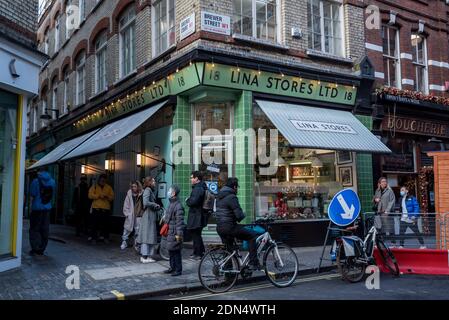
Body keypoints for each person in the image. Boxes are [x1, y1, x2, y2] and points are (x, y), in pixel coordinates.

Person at [215, 177, 260, 270]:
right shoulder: (231, 197)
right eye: (237, 187)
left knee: (229, 249)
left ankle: (228, 272)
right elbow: (239, 216)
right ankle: (254, 262)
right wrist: (244, 214)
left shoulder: (219, 196)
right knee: (252, 236)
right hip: (229, 227)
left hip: (220, 227)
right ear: (234, 187)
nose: (237, 189)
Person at [29, 167, 55, 256]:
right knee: (45, 229)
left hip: (37, 208)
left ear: (39, 171)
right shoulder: (52, 181)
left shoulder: (35, 181)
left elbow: (32, 196)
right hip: (47, 208)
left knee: (34, 228)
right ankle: (42, 249)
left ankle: (35, 248)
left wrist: (30, 207)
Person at [163, 185, 185, 276]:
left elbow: (179, 222)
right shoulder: (171, 203)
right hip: (170, 232)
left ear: (173, 193)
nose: (168, 192)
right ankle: (172, 267)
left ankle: (178, 270)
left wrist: (178, 235)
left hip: (175, 233)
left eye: (169, 191)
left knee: (176, 252)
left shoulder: (178, 205)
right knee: (171, 251)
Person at [137, 176, 161, 263]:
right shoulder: (147, 190)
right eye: (153, 181)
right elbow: (146, 202)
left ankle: (148, 256)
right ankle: (144, 257)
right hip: (148, 217)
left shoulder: (149, 190)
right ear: (149, 182)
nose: (154, 183)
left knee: (149, 236)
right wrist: (155, 205)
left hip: (150, 217)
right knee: (147, 237)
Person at [186, 171, 207, 260]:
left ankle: (198, 254)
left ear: (196, 178)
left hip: (197, 215)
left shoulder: (198, 188)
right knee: (196, 234)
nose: (191, 179)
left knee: (196, 235)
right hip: (198, 215)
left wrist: (188, 200)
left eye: (192, 178)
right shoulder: (200, 187)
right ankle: (200, 252)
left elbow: (193, 202)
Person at [88, 174, 114, 244]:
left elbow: (112, 197)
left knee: (106, 225)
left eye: (104, 180)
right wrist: (98, 196)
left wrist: (107, 196)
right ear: (99, 179)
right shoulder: (95, 187)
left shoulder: (108, 187)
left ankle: (105, 238)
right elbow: (90, 195)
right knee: (94, 225)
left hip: (105, 209)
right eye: (102, 179)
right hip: (96, 208)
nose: (103, 181)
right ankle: (94, 238)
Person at [121, 181, 144, 250]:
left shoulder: (141, 194)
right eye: (132, 186)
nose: (133, 188)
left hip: (138, 214)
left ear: (138, 187)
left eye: (135, 186)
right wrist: (127, 214)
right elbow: (126, 204)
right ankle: (124, 242)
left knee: (138, 230)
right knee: (126, 229)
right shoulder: (129, 194)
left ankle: (136, 244)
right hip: (130, 214)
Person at [373, 177, 396, 243]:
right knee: (381, 228)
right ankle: (383, 243)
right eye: (383, 181)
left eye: (385, 181)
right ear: (379, 183)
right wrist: (375, 199)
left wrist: (387, 211)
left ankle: (393, 243)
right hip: (380, 212)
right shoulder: (377, 191)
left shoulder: (390, 190)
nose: (384, 183)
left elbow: (392, 201)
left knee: (391, 228)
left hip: (387, 213)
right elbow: (375, 198)